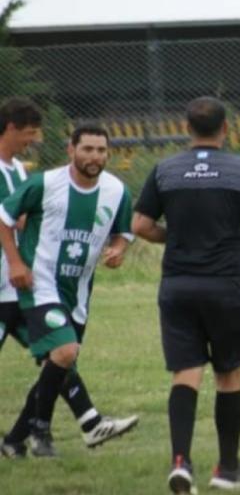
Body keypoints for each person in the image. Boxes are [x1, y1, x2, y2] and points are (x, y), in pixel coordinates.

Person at [132, 96, 240, 493]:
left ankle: (181, 462)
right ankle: (227, 469)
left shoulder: (165, 170)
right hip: (227, 285)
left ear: (187, 128)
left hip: (178, 285)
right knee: (228, 374)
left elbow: (140, 225)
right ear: (225, 128)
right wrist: (237, 237)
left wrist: (176, 237)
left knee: (186, 372)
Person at [0, 122, 138, 458]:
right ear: (71, 150)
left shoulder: (117, 191)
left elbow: (124, 232)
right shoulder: (44, 184)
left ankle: (14, 440)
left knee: (58, 364)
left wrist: (118, 249)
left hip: (77, 293)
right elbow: (4, 219)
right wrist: (16, 263)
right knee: (64, 353)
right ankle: (43, 431)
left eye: (101, 150)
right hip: (39, 285)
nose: (95, 156)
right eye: (87, 149)